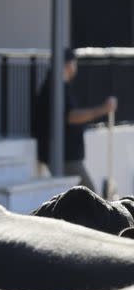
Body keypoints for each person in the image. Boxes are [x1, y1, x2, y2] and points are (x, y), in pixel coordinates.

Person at [32, 47, 117, 191]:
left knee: (83, 198)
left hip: (65, 156)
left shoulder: (57, 86)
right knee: (90, 198)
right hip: (65, 158)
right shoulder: (55, 87)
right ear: (68, 64)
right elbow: (71, 116)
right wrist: (103, 109)